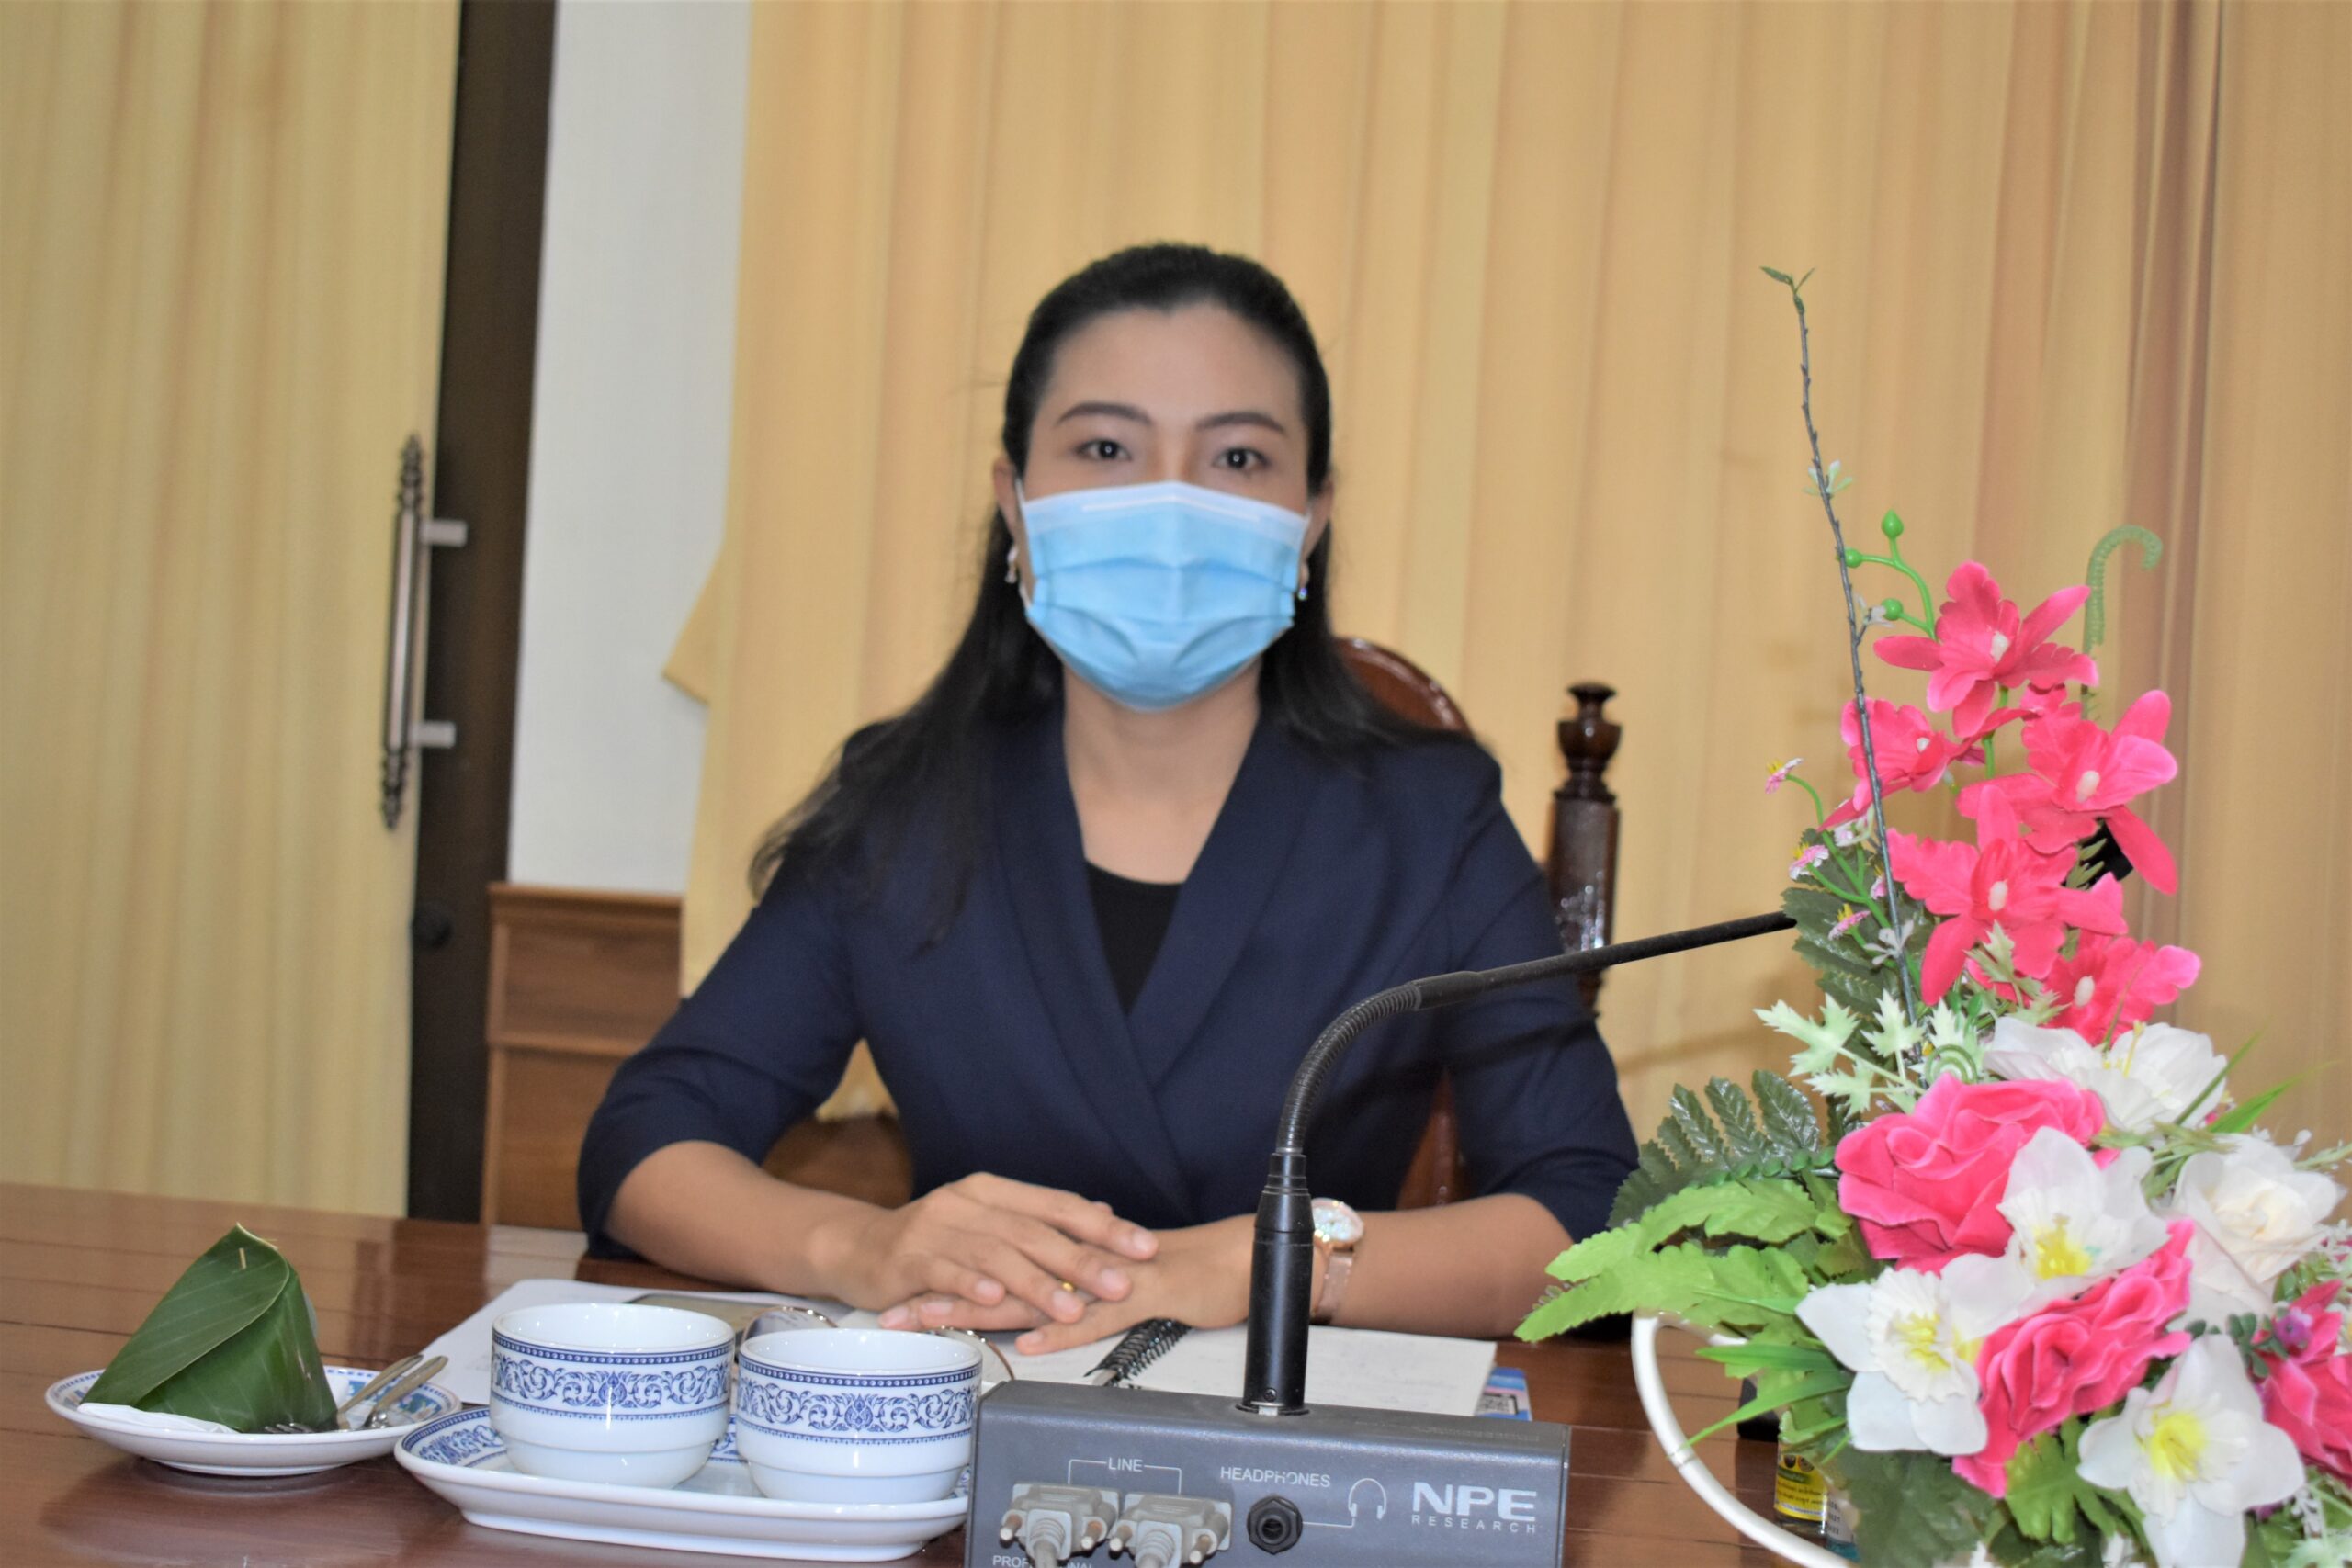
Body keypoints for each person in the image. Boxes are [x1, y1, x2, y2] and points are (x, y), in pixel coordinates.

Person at [580, 243, 1638, 1358]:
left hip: (1288, 1420)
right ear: (1016, 504)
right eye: (1104, 448)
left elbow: (1590, 1213)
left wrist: (1268, 1264)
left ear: (1311, 519)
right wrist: (861, 1246)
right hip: (973, 1403)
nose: (1169, 506)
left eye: (1237, 456)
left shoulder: (1429, 820)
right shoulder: (904, 806)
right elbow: (647, 1141)